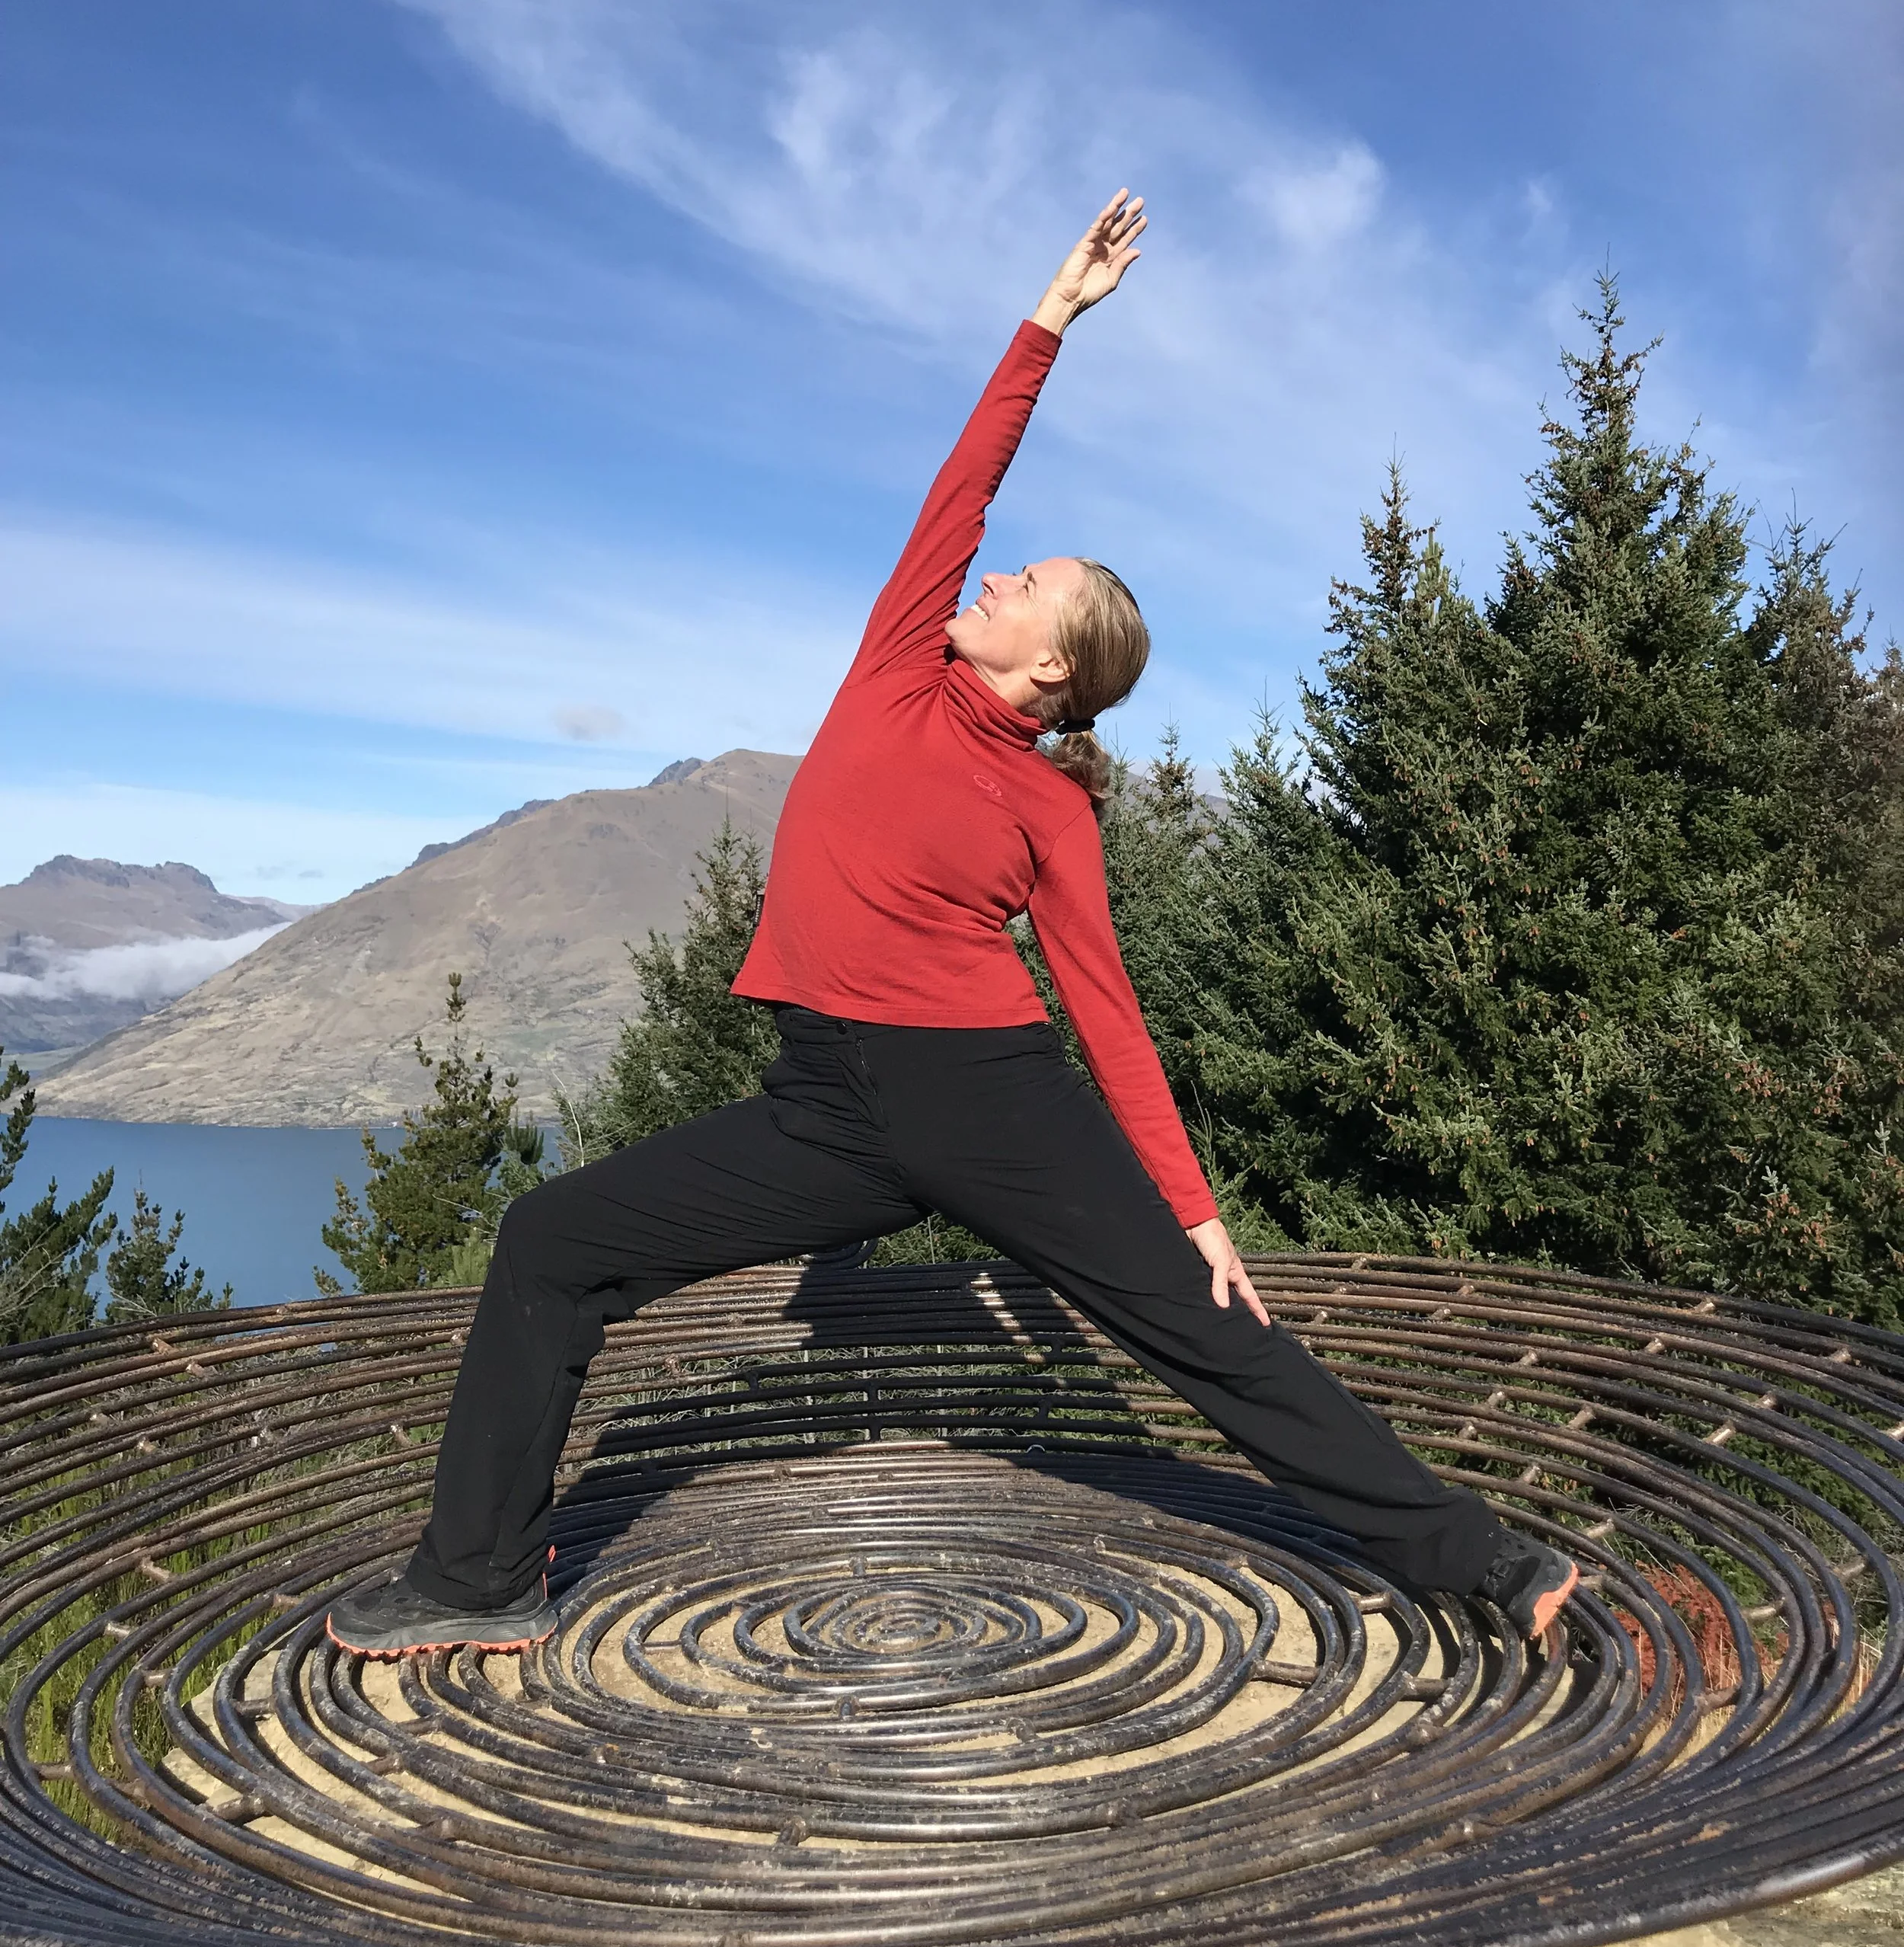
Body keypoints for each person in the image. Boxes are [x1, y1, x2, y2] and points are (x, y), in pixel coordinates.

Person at [328, 193, 1578, 1660]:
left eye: (1025, 583)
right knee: (551, 1241)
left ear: (1053, 662)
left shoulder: (1051, 810)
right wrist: (1051, 317)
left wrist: (1193, 1208)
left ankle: (1492, 1565)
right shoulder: (897, 672)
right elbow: (960, 488)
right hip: (827, 1108)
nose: (992, 574)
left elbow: (1103, 1006)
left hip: (990, 1098)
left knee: (1204, 1335)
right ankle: (479, 1581)